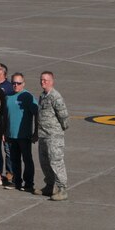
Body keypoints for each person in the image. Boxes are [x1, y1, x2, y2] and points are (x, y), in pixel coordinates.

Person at [38, 70, 70, 201]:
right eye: (41, 80)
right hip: (43, 135)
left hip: (53, 136)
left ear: (52, 81)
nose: (42, 82)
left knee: (56, 162)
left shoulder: (55, 96)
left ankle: (62, 189)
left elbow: (64, 116)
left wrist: (59, 130)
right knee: (44, 162)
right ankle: (49, 186)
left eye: (45, 80)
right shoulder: (42, 96)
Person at [4, 72, 37, 193]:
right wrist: (4, 133)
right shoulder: (8, 96)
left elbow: (37, 114)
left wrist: (36, 132)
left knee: (27, 160)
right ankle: (17, 181)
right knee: (14, 160)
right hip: (11, 135)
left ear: (23, 83)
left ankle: (29, 183)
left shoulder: (28, 96)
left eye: (19, 83)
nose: (16, 85)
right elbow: (6, 116)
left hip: (24, 136)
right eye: (13, 83)